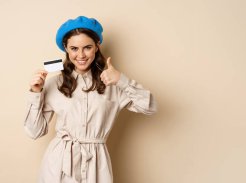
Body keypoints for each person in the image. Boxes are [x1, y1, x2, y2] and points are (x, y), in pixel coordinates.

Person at [24, 16, 156, 183]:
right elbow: (34, 132)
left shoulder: (112, 83)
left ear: (97, 46)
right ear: (66, 48)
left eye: (87, 47)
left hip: (96, 165)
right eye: (74, 48)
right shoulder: (54, 83)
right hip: (58, 165)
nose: (81, 55)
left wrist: (122, 80)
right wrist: (35, 93)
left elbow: (150, 107)